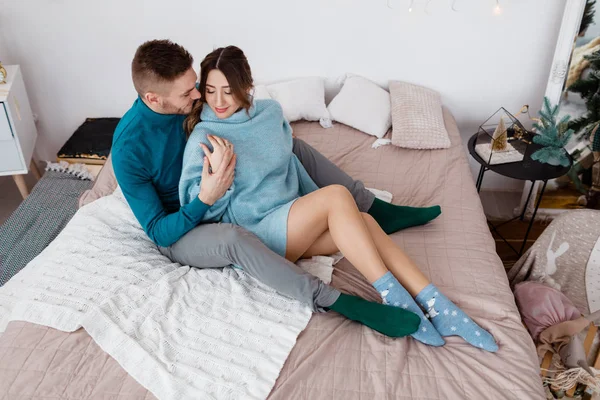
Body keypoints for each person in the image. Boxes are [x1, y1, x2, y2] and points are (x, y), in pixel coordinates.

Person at [180, 46, 498, 352]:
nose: (218, 100)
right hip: (260, 236)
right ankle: (393, 295)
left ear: (247, 86)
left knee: (365, 221)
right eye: (209, 90)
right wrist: (220, 178)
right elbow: (200, 209)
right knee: (336, 196)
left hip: (291, 217)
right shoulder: (205, 138)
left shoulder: (270, 113)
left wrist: (309, 205)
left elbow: (289, 162)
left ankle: (439, 305)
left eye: (227, 89)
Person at [111, 39, 435, 338]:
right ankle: (337, 302)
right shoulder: (129, 149)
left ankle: (372, 207)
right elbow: (159, 233)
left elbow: (231, 100)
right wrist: (205, 198)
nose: (198, 95)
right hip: (182, 227)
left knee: (293, 146)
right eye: (189, 93)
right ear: (153, 98)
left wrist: (268, 137)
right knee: (233, 238)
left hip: (226, 194)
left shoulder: (194, 95)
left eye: (196, 86)